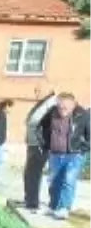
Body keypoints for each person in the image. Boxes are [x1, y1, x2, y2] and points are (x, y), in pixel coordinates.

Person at [36, 92, 91, 220]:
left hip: (74, 154)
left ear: (73, 105)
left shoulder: (82, 115)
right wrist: (44, 144)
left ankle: (64, 208)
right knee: (54, 181)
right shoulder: (52, 113)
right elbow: (41, 127)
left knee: (68, 180)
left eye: (65, 107)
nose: (62, 110)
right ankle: (53, 206)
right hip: (55, 153)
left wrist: (83, 148)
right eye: (60, 107)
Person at [23, 92, 59, 212]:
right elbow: (32, 123)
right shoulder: (42, 109)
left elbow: (40, 127)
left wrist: (42, 143)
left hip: (39, 147)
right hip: (34, 145)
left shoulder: (52, 110)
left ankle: (32, 202)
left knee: (33, 174)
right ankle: (30, 200)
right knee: (30, 174)